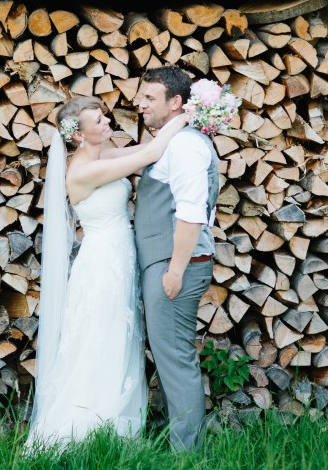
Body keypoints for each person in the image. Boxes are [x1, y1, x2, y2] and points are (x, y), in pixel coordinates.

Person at [25, 95, 188, 450]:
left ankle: (114, 429)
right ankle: (84, 427)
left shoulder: (101, 155)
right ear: (80, 136)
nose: (107, 123)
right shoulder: (83, 170)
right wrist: (189, 113)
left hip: (119, 257)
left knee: (120, 336)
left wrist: (177, 120)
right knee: (101, 337)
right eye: (98, 122)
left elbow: (147, 148)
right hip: (103, 264)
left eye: (104, 117)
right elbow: (148, 155)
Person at [134, 65, 219, 451]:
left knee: (176, 359)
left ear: (176, 103)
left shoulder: (185, 145)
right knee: (170, 356)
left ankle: (187, 453)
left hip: (177, 265)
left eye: (150, 97)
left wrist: (175, 271)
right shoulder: (176, 139)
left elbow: (191, 213)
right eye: (142, 95)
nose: (140, 103)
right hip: (168, 261)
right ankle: (180, 441)